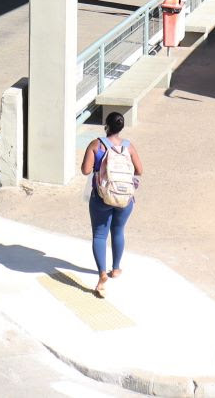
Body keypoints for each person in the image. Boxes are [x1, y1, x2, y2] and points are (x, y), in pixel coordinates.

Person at [80, 112, 143, 298]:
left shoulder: (96, 144)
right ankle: (115, 269)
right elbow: (140, 170)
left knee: (100, 235)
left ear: (106, 125)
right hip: (125, 199)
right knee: (118, 231)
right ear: (121, 127)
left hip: (101, 198)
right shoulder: (128, 147)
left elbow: (85, 171)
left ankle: (101, 274)